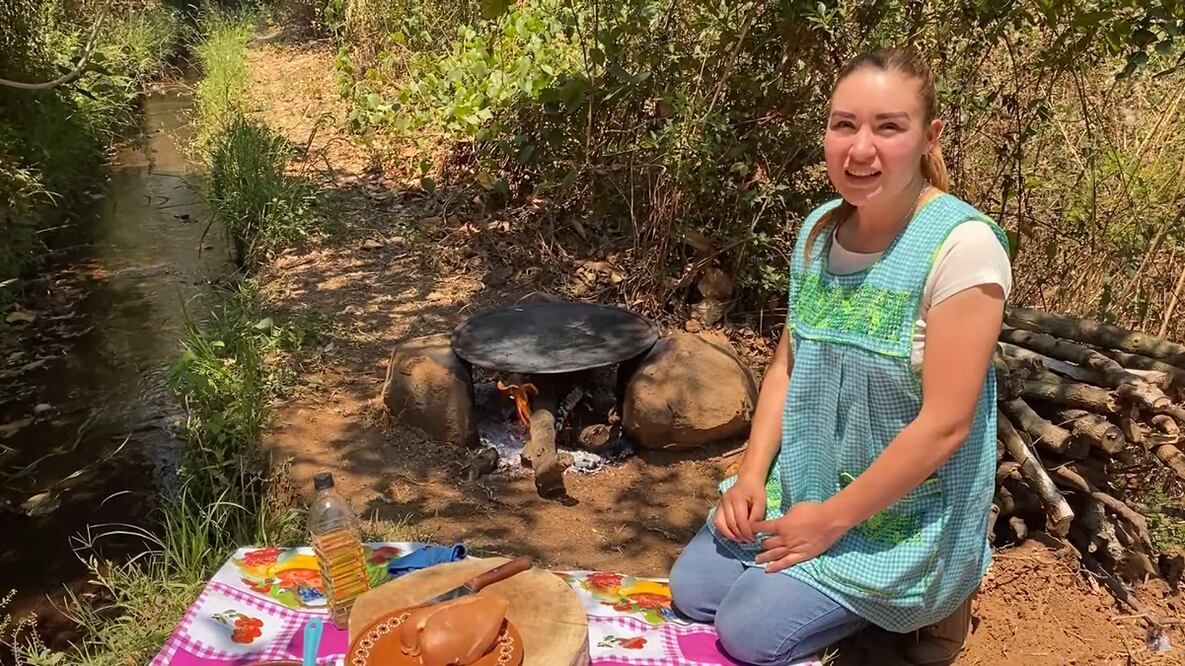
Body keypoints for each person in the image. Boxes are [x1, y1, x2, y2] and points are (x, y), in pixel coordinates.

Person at [669, 47, 1012, 666]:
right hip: (807, 485)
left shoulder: (963, 247)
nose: (860, 149)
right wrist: (751, 476)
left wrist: (829, 522)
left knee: (747, 631)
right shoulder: (820, 231)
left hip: (902, 519)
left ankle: (928, 610)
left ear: (929, 135)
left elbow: (946, 424)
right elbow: (787, 366)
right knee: (693, 592)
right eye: (844, 124)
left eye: (889, 127)